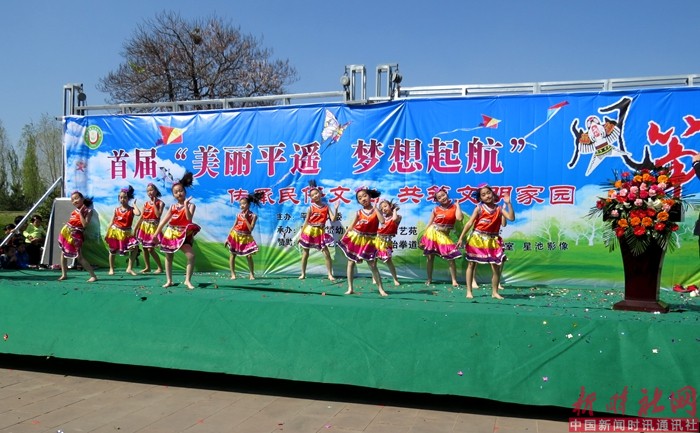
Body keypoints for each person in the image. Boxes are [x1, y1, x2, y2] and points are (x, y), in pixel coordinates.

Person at [458, 184, 515, 299]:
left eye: (488, 193)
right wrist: (461, 237)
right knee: (471, 264)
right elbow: (469, 223)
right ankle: (469, 291)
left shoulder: (499, 209)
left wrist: (509, 204)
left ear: (492, 194)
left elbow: (511, 218)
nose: (487, 196)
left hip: (492, 240)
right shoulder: (479, 208)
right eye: (483, 195)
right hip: (477, 238)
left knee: (496, 267)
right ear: (480, 198)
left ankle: (495, 292)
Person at [337, 186, 388, 297]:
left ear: (370, 196)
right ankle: (350, 288)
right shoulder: (359, 212)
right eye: (360, 198)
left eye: (365, 196)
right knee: (351, 263)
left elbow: (382, 221)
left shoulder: (376, 210)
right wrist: (343, 237)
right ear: (358, 201)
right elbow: (351, 226)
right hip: (356, 238)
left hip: (369, 241)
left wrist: (376, 209)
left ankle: (381, 289)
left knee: (372, 265)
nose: (363, 199)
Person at [155, 172, 200, 289]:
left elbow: (189, 219)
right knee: (169, 257)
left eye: (180, 191)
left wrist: (185, 205)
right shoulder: (172, 207)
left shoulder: (191, 205)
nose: (179, 193)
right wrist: (155, 234)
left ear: (184, 192)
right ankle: (169, 280)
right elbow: (163, 221)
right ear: (173, 195)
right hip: (171, 233)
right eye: (176, 192)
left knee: (191, 256)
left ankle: (187, 281)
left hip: (184, 234)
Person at [418, 188, 463, 287]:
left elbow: (459, 218)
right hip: (432, 232)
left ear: (446, 194)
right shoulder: (435, 209)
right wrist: (423, 238)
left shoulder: (454, 207)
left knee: (451, 257)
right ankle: (429, 279)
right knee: (430, 257)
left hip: (444, 235)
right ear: (437, 200)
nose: (442, 198)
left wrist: (458, 205)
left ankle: (454, 281)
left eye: (443, 195)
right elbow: (429, 224)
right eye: (439, 197)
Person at [298, 180, 339, 281]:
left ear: (320, 194)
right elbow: (306, 222)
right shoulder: (311, 208)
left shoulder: (326, 207)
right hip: (309, 231)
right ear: (311, 198)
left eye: (316, 193)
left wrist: (336, 209)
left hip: (320, 232)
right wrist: (301, 234)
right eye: (312, 195)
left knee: (327, 254)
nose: (315, 196)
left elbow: (333, 219)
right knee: (305, 253)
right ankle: (303, 273)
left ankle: (330, 274)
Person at [57, 190, 98, 282]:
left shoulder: (88, 211)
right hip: (67, 232)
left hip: (76, 235)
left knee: (79, 256)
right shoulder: (74, 211)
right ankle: (64, 274)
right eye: (72, 200)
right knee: (63, 253)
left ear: (82, 199)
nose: (74, 201)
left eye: (76, 198)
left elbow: (84, 225)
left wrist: (80, 214)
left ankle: (93, 276)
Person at [104, 186, 142, 275]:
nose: (123, 199)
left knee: (135, 248)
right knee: (112, 250)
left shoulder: (131, 210)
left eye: (125, 197)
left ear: (128, 199)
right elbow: (111, 222)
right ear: (118, 199)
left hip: (127, 233)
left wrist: (134, 205)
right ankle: (111, 269)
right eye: (121, 197)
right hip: (116, 232)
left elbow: (138, 213)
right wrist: (107, 233)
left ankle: (129, 268)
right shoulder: (116, 210)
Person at [225, 192, 263, 280]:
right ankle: (233, 274)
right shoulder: (238, 215)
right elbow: (234, 226)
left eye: (244, 204)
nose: (241, 206)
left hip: (246, 237)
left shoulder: (253, 216)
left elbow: (250, 229)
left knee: (249, 256)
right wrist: (228, 238)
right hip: (236, 235)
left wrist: (245, 218)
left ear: (248, 205)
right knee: (232, 254)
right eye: (240, 204)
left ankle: (251, 274)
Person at [135, 183, 164, 274]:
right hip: (144, 227)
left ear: (156, 191)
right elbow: (142, 217)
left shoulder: (160, 203)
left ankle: (160, 268)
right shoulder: (146, 204)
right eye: (148, 191)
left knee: (150, 249)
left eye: (151, 190)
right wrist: (135, 229)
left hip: (153, 228)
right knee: (144, 248)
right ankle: (147, 267)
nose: (149, 192)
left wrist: (154, 204)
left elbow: (158, 215)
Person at [374, 199, 401, 286]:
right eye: (382, 208)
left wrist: (394, 210)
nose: (384, 209)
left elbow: (394, 219)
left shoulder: (398, 216)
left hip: (386, 242)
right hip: (377, 239)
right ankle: (374, 277)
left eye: (385, 206)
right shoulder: (382, 218)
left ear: (390, 206)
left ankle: (395, 279)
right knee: (374, 259)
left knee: (388, 260)